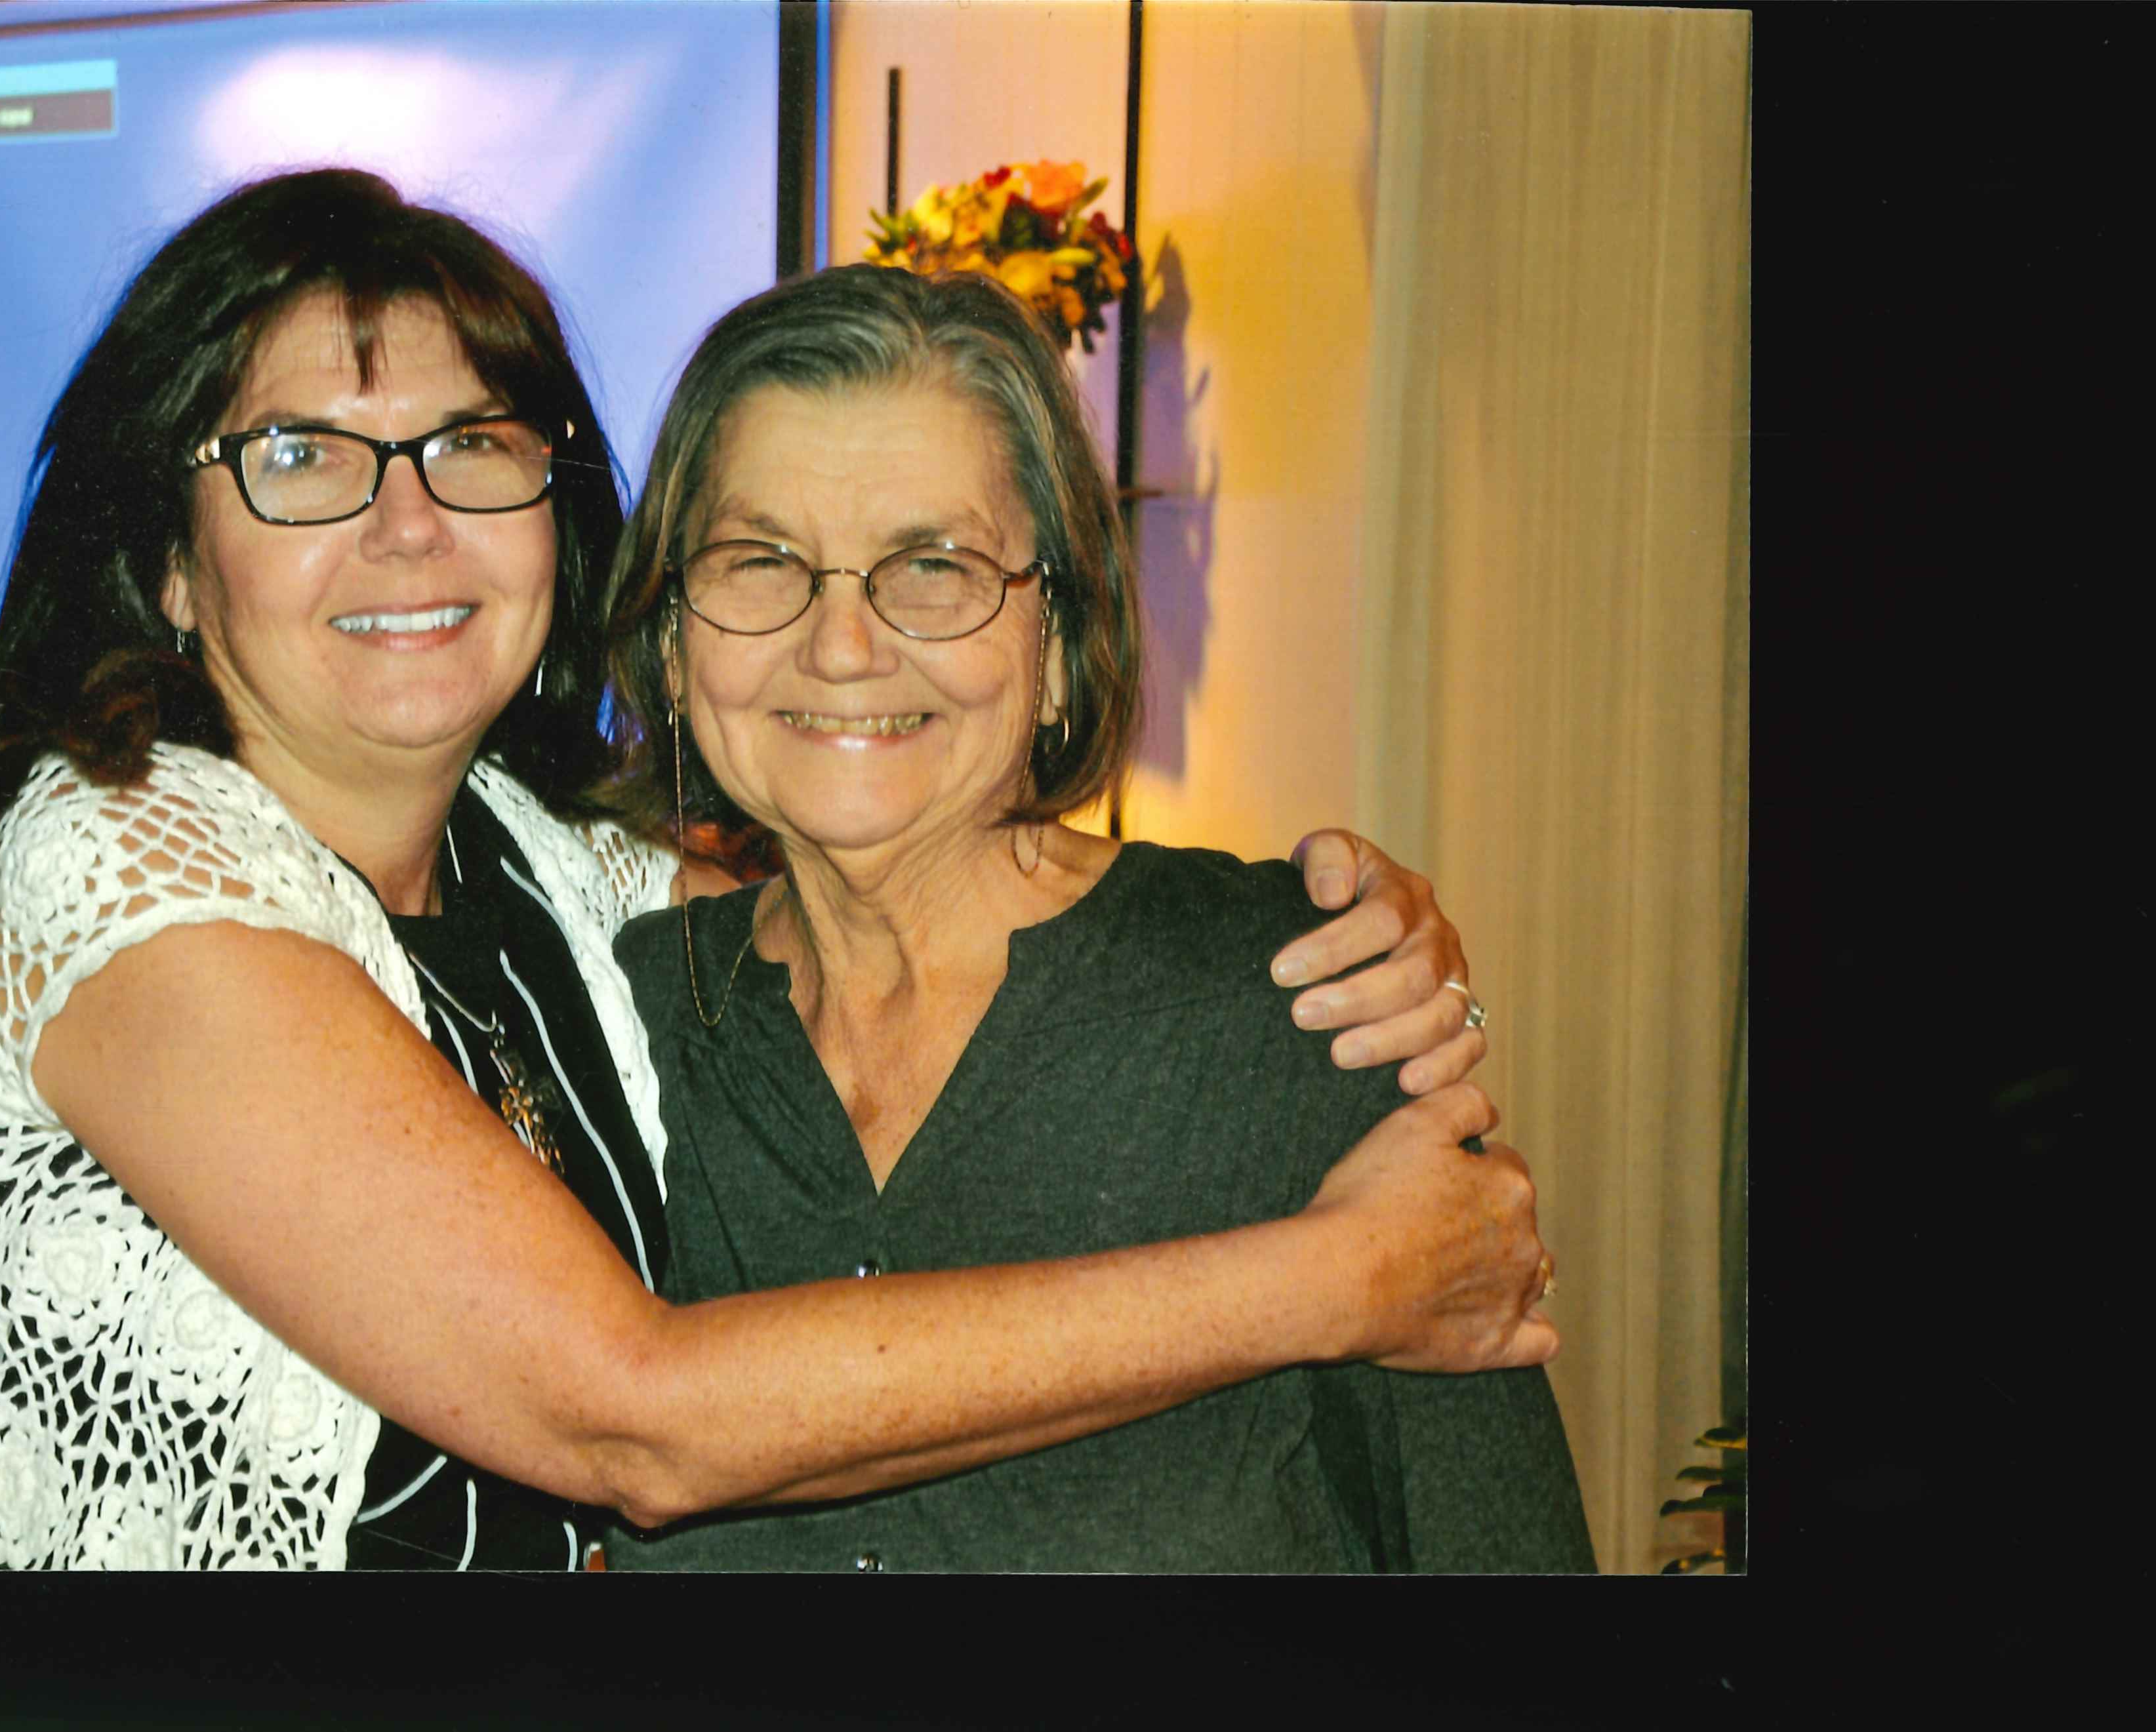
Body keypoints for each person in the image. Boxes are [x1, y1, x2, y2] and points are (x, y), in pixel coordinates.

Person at [0, 169, 1551, 1573]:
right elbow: (631, 1416)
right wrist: (1343, 1280)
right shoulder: (114, 867)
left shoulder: (569, 892)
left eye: (471, 445)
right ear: (173, 570)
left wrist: (1330, 924)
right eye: (299, 458)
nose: (406, 523)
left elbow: (868, 892)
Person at [590, 264, 1596, 1574]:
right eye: (762, 562)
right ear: (674, 644)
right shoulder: (619, 1037)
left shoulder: (1302, 1000)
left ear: (1059, 644)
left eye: (934, 567)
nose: (842, 647)